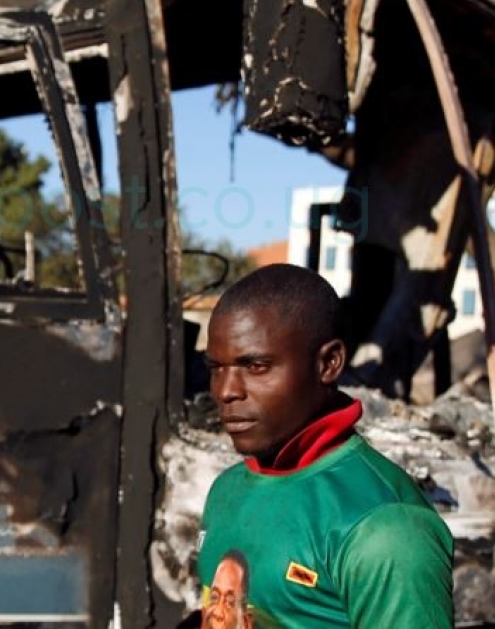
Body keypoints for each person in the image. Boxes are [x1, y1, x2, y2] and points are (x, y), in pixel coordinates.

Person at [193, 263, 453, 628]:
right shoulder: (227, 488)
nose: (225, 391)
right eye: (216, 368)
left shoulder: (386, 527)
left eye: (255, 366)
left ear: (329, 363)